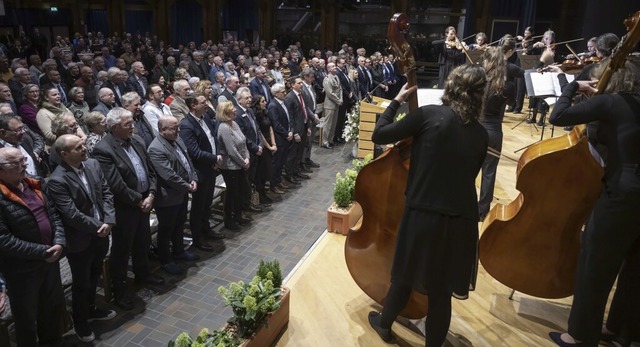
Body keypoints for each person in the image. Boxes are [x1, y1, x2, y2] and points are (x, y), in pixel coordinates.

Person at [367, 64, 488, 346]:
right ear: (480, 96)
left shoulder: (428, 116)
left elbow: (379, 134)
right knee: (441, 292)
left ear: (452, 86)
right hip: (461, 220)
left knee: (404, 275)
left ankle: (385, 326)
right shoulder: (482, 135)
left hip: (423, 214)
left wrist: (397, 100)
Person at [547, 58, 640, 347]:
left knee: (596, 264)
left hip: (621, 194)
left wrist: (573, 85)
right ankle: (622, 331)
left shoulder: (612, 102)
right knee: (635, 268)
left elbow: (558, 116)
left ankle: (579, 335)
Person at [45, 134, 116, 342]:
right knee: (81, 282)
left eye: (83, 144)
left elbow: (106, 192)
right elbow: (71, 214)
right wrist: (99, 226)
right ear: (64, 154)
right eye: (78, 147)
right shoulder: (57, 180)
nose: (84, 148)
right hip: (80, 240)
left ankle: (91, 308)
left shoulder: (92, 164)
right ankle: (81, 321)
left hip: (101, 233)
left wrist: (109, 219)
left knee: (95, 275)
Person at [92, 107, 164, 311]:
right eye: (128, 124)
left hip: (144, 201)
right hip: (124, 208)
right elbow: (115, 184)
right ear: (114, 127)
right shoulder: (103, 149)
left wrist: (150, 194)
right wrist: (139, 200)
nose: (133, 126)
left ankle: (144, 275)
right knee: (122, 251)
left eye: (132, 122)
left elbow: (150, 171)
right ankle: (120, 292)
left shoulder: (138, 141)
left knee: (143, 241)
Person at [0, 146, 67, 347]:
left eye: (23, 160)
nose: (24, 165)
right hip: (22, 270)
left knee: (51, 309)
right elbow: (4, 240)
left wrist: (59, 242)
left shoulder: (34, 184)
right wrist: (43, 252)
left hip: (50, 261)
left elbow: (54, 216)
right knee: (27, 318)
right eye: (17, 163)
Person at [148, 116, 200, 275]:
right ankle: (166, 260)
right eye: (174, 128)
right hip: (168, 197)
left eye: (177, 127)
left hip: (182, 192)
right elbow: (168, 175)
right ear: (162, 130)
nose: (178, 130)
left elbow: (187, 162)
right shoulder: (156, 148)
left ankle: (179, 251)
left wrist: (194, 178)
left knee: (179, 224)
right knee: (166, 230)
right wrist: (187, 186)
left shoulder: (177, 139)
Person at [478, 41, 523, 220]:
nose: (482, 63)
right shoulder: (507, 86)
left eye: (485, 61)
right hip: (494, 131)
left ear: (490, 62)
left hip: (476, 129)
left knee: (469, 169)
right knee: (489, 172)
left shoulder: (479, 80)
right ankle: (482, 212)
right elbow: (512, 103)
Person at [216, 100, 252, 230]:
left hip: (241, 164)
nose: (235, 109)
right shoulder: (224, 127)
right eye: (232, 108)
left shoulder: (234, 124)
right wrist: (243, 162)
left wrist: (247, 157)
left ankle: (238, 215)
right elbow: (231, 151)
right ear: (225, 112)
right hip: (231, 167)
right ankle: (229, 220)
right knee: (232, 194)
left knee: (241, 192)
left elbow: (243, 142)